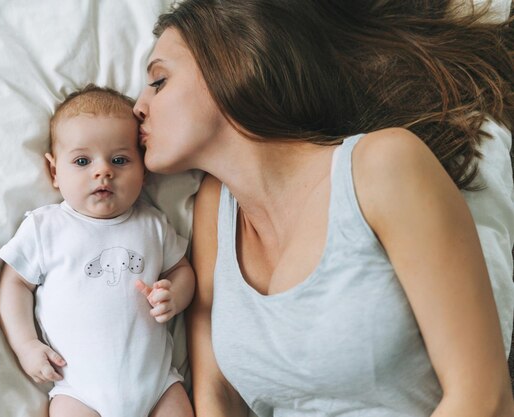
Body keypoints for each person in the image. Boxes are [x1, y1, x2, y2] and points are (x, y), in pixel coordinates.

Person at [132, 1, 514, 416]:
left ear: (233, 63)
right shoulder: (213, 208)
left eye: (159, 80)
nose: (138, 105)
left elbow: (485, 398)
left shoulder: (383, 166)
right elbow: (215, 394)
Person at [0, 85, 195, 417]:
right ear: (54, 171)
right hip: (78, 393)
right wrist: (26, 345)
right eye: (82, 161)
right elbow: (14, 284)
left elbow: (181, 270)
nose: (103, 171)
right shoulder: (46, 228)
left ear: (143, 171)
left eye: (119, 159)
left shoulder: (153, 224)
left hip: (159, 386)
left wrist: (176, 294)